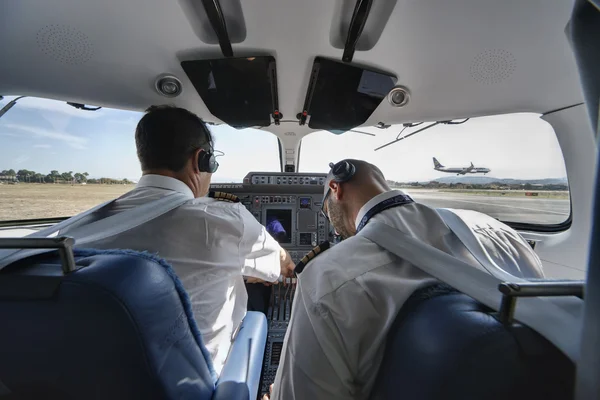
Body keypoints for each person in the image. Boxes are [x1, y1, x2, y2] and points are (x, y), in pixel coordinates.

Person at [267, 159, 543, 400]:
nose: (332, 224)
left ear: (336, 189)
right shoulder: (500, 232)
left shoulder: (325, 276)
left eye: (325, 209)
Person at [60, 105, 295, 376]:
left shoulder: (76, 230)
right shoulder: (225, 220)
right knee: (257, 317)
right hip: (198, 384)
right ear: (202, 160)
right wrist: (252, 270)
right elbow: (284, 267)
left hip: (106, 380)